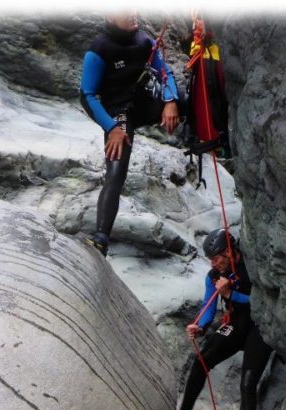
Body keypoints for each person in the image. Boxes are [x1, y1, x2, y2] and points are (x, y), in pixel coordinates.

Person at [79, 10, 181, 256]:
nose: (133, 13)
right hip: (121, 113)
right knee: (116, 166)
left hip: (144, 102)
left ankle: (205, 139)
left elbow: (166, 72)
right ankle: (101, 237)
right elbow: (87, 95)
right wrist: (112, 127)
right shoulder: (100, 49)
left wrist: (171, 101)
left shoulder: (143, 40)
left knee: (184, 98)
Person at [175, 228, 273, 410]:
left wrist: (231, 294)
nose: (214, 263)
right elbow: (209, 307)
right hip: (236, 324)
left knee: (248, 384)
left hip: (259, 328)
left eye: (217, 257)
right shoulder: (213, 276)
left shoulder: (250, 267)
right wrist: (200, 326)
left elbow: (261, 301)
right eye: (211, 259)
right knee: (201, 361)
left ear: (230, 251)